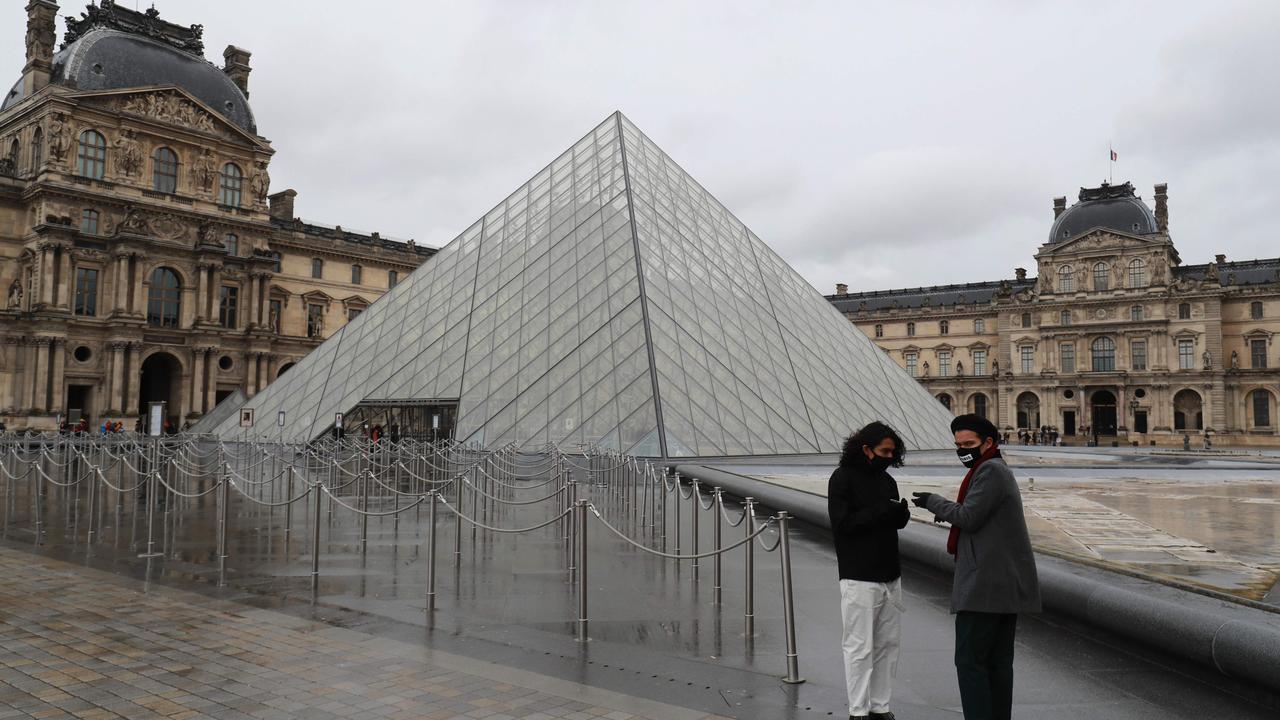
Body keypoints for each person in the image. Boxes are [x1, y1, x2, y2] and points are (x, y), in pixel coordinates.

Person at [911, 414, 1041, 720]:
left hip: (986, 584)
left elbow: (969, 517)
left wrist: (933, 501)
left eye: (968, 444)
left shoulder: (991, 471)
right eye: (958, 445)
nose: (962, 450)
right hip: (1000, 583)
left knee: (970, 661)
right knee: (996, 661)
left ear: (989, 443)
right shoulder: (993, 468)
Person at [828, 421, 911, 720]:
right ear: (866, 449)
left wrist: (901, 516)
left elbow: (890, 521)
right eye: (884, 451)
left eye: (892, 452)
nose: (889, 457)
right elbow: (842, 524)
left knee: (888, 645)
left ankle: (880, 705)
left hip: (890, 572)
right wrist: (881, 512)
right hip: (858, 574)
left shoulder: (887, 481)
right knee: (859, 646)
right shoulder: (842, 479)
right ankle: (858, 710)